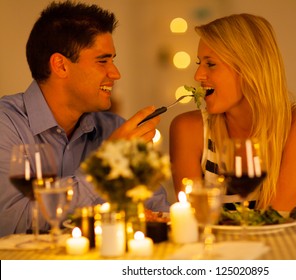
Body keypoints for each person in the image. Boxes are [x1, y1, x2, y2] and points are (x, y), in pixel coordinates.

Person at [0, 1, 169, 237]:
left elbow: (158, 212)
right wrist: (106, 167)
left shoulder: (115, 128)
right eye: (103, 61)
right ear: (60, 65)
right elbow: (10, 222)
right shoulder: (5, 124)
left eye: (113, 60)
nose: (116, 73)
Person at [169, 13, 296, 217]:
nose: (198, 76)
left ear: (250, 68)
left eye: (210, 64)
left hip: (281, 248)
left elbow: (273, 220)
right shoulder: (187, 129)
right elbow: (195, 220)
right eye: (199, 63)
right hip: (213, 249)